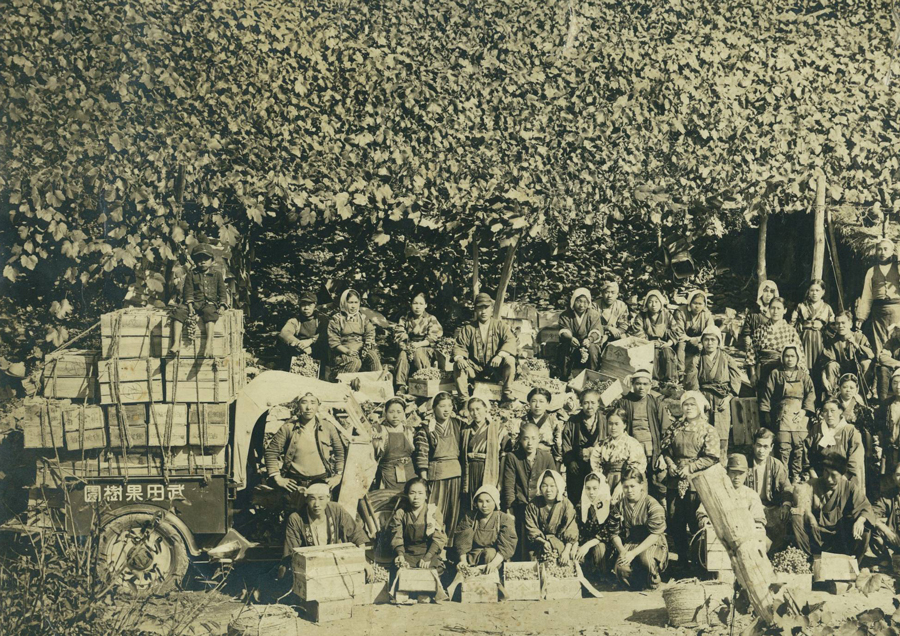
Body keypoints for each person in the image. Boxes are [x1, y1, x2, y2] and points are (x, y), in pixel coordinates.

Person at [661, 391, 720, 568]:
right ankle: (682, 559)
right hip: (674, 480)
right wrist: (670, 464)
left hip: (696, 481)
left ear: (700, 406)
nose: (688, 408)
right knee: (674, 519)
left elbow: (712, 456)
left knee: (694, 519)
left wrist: (691, 468)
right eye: (686, 404)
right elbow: (665, 449)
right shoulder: (675, 427)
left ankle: (698, 560)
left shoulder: (708, 429)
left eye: (692, 404)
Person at [265, 393, 345, 508]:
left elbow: (340, 452)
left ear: (318, 405)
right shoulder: (288, 428)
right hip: (295, 484)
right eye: (304, 402)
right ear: (298, 405)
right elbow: (271, 452)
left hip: (321, 482)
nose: (309, 407)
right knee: (294, 519)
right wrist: (277, 477)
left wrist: (338, 476)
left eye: (313, 402)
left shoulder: (328, 427)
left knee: (320, 517)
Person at [791, 453, 873, 561]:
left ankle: (854, 563)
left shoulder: (849, 487)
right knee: (796, 516)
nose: (829, 479)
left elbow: (865, 507)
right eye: (826, 472)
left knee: (865, 527)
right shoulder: (813, 484)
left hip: (839, 537)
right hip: (816, 535)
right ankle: (807, 560)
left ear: (842, 475)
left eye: (834, 475)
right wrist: (809, 515)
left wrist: (860, 521)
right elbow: (800, 494)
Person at [684, 323, 742, 463]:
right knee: (701, 433)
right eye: (707, 339)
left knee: (722, 435)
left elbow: (736, 378)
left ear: (718, 342)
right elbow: (691, 379)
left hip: (722, 400)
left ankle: (721, 464)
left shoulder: (726, 358)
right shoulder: (697, 358)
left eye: (713, 340)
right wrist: (700, 400)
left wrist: (728, 398)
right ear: (702, 341)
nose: (710, 343)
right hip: (702, 399)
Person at [759, 344, 816, 483]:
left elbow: (811, 394)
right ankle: (782, 479)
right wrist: (766, 413)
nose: (789, 359)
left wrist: (804, 411)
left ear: (797, 358)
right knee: (783, 448)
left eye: (792, 356)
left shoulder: (803, 375)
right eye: (787, 356)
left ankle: (796, 477)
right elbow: (767, 394)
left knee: (799, 448)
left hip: (799, 416)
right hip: (782, 414)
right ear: (782, 358)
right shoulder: (776, 374)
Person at [502, 422, 558, 558]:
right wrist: (510, 508)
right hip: (521, 505)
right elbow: (509, 485)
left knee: (538, 540)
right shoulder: (513, 457)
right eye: (526, 438)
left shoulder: (546, 457)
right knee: (521, 542)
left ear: (539, 438)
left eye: (533, 438)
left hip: (540, 506)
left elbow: (555, 481)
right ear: (520, 439)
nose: (530, 443)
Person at [413, 392, 464, 540]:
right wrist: (424, 477)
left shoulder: (458, 424)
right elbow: (422, 454)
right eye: (442, 406)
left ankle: (450, 548)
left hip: (456, 474)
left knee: (453, 512)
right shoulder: (427, 428)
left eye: (449, 405)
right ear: (434, 408)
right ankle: (435, 546)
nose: (446, 409)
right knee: (435, 512)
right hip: (437, 475)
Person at [281, 481, 368, 567]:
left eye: (321, 498)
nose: (317, 504)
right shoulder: (296, 518)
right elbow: (291, 551)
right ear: (306, 499)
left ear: (328, 498)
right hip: (309, 564)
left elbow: (357, 535)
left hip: (335, 561)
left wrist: (363, 561)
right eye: (312, 499)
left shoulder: (336, 509)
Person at [609, 466, 668, 590]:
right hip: (631, 540)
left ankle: (652, 581)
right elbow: (613, 533)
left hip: (652, 540)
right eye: (626, 487)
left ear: (641, 485)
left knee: (645, 560)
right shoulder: (619, 505)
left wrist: (634, 553)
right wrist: (623, 551)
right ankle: (632, 587)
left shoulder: (652, 505)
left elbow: (655, 535)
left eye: (633, 486)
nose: (629, 490)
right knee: (621, 567)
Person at [453, 293, 518, 403]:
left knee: (510, 360)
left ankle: (507, 392)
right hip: (475, 369)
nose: (483, 312)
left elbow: (510, 340)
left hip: (495, 369)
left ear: (491, 309)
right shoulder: (468, 328)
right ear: (475, 310)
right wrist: (460, 358)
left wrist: (500, 355)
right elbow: (460, 345)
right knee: (458, 365)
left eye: (486, 307)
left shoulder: (500, 325)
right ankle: (464, 400)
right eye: (480, 308)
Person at [697, 454, 766, 549]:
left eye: (741, 473)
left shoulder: (751, 495)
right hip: (719, 539)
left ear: (747, 473)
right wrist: (704, 520)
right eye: (733, 472)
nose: (737, 477)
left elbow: (759, 522)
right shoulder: (717, 493)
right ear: (727, 472)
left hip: (745, 540)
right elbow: (702, 513)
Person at [171, 243, 228, 357]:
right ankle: (176, 342)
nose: (202, 262)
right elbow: (188, 292)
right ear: (195, 261)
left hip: (209, 303)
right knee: (179, 312)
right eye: (199, 259)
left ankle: (209, 344)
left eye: (206, 259)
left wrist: (222, 306)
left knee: (210, 314)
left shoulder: (217, 275)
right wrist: (190, 307)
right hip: (194, 303)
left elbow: (222, 292)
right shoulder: (192, 274)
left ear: (212, 260)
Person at [620, 369, 670, 498]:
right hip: (634, 454)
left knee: (660, 487)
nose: (641, 387)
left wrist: (662, 455)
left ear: (650, 385)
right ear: (632, 384)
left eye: (645, 384)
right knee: (637, 486)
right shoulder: (624, 402)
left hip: (654, 452)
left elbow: (666, 431)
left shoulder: (655, 402)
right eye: (638, 383)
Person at [389, 479, 448, 583]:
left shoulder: (433, 512)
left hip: (428, 552)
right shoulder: (401, 513)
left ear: (426, 495)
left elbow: (439, 538)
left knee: (435, 568)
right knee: (400, 569)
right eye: (412, 493)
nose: (416, 497)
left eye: (420, 493)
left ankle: (425, 593)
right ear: (407, 494)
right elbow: (396, 536)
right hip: (407, 553)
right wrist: (400, 555)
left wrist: (428, 557)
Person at [804, 398, 866, 492]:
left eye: (833, 411)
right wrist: (812, 473)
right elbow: (806, 451)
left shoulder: (850, 430)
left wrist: (844, 477)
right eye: (825, 411)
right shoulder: (816, 429)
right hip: (820, 476)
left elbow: (856, 456)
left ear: (840, 411)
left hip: (845, 477)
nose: (829, 414)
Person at [745, 428, 793, 552]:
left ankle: (773, 553)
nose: (761, 450)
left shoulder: (776, 465)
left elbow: (786, 487)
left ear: (771, 448)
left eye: (766, 447)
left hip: (770, 507)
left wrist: (786, 505)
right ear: (753, 445)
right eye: (759, 445)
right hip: (748, 508)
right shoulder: (745, 463)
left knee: (783, 521)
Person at [453, 484, 518, 574]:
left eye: (488, 501)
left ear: (495, 502)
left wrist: (493, 564)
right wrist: (463, 561)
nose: (484, 505)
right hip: (473, 556)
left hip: (494, 558)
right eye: (480, 501)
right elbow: (462, 542)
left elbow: (507, 546)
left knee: (489, 554)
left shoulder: (504, 519)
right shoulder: (470, 517)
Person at [834, 374, 879, 499]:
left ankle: (857, 501)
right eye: (845, 387)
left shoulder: (862, 409)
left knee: (855, 473)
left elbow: (868, 430)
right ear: (839, 388)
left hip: (856, 446)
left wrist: (869, 450)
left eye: (851, 387)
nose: (848, 390)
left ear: (856, 389)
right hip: (838, 444)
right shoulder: (833, 406)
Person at [747, 296, 804, 391]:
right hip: (764, 371)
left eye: (778, 308)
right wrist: (753, 374)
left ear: (785, 310)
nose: (775, 311)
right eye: (772, 308)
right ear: (768, 309)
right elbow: (751, 353)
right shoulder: (760, 330)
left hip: (783, 371)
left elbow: (800, 354)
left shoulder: (790, 331)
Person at [461, 397, 508, 510]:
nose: (475, 413)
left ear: (486, 409)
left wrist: (500, 480)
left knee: (487, 500)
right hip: (470, 471)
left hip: (488, 469)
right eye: (471, 410)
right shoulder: (465, 430)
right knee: (471, 502)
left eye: (478, 409)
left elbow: (504, 455)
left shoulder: (498, 428)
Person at [561, 390, 607, 504]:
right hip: (577, 466)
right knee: (576, 498)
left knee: (596, 497)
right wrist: (570, 461)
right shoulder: (573, 421)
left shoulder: (604, 421)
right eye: (586, 403)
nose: (589, 406)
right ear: (581, 404)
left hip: (598, 466)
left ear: (598, 404)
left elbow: (608, 442)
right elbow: (566, 443)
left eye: (593, 403)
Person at [524, 470, 579, 563]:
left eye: (552, 486)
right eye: (544, 485)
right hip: (540, 545)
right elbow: (531, 528)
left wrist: (566, 551)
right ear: (540, 487)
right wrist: (543, 541)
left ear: (558, 487)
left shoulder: (566, 504)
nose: (548, 490)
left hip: (562, 545)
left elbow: (571, 528)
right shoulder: (533, 505)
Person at [393, 293, 444, 394]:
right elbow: (399, 333)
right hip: (409, 345)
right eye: (415, 303)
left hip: (426, 347)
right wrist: (406, 345)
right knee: (403, 355)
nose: (417, 306)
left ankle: (422, 383)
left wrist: (418, 345)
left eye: (421, 304)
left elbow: (433, 337)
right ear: (411, 304)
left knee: (418, 353)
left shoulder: (430, 318)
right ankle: (401, 386)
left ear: (425, 305)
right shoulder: (405, 318)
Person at [856, 238, 900, 354]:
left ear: (892, 252)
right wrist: (861, 317)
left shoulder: (898, 268)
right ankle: (881, 369)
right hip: (878, 312)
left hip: (897, 310)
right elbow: (867, 295)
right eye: (879, 249)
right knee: (880, 343)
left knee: (896, 340)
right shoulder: (871, 271)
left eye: (886, 249)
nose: (882, 252)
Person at [630, 290, 683, 384]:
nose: (653, 305)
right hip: (647, 344)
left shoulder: (667, 315)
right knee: (652, 355)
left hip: (664, 343)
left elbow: (677, 331)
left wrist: (669, 342)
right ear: (646, 303)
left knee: (668, 354)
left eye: (656, 301)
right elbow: (638, 332)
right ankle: (653, 381)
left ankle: (670, 381)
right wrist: (649, 343)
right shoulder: (641, 316)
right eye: (650, 302)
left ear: (661, 303)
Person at [589, 409, 647, 497]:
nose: (613, 428)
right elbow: (595, 465)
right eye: (610, 424)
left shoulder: (632, 443)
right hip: (605, 480)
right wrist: (602, 484)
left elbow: (636, 469)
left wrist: (622, 486)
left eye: (616, 424)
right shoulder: (601, 445)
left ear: (624, 425)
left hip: (627, 483)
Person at [327, 288, 382, 378]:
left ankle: (377, 386)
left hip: (360, 350)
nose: (354, 306)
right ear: (344, 302)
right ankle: (339, 381)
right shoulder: (336, 319)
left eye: (356, 302)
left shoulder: (362, 318)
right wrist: (347, 351)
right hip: (343, 352)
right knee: (355, 362)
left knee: (373, 357)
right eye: (350, 302)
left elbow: (370, 332)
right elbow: (333, 342)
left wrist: (367, 345)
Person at [820, 311, 874, 397]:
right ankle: (832, 397)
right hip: (841, 371)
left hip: (857, 371)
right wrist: (824, 377)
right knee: (831, 365)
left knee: (866, 363)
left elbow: (871, 355)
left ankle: (860, 396)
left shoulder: (860, 337)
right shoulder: (832, 341)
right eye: (838, 323)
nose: (840, 326)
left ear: (850, 324)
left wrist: (856, 345)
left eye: (843, 323)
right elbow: (826, 361)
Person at [574, 472, 619, 572]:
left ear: (601, 488)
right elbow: (577, 527)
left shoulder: (609, 506)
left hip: (603, 542)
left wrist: (587, 545)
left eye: (595, 488)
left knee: (599, 550)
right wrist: (577, 544)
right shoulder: (581, 506)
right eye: (588, 488)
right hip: (586, 541)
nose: (591, 492)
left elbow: (607, 531)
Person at [791, 279, 836, 372]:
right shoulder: (801, 306)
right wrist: (800, 327)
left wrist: (823, 329)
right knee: (804, 366)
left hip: (820, 340)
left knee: (820, 367)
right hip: (804, 339)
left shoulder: (827, 308)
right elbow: (792, 324)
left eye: (817, 290)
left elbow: (833, 327)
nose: (814, 293)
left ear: (823, 292)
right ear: (808, 291)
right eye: (812, 290)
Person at [558, 287, 604, 376]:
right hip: (572, 343)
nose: (582, 305)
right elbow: (564, 330)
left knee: (593, 349)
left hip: (588, 343)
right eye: (579, 301)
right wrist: (570, 338)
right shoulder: (565, 315)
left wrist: (590, 339)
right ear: (573, 301)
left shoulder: (594, 314)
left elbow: (596, 330)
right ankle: (565, 376)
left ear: (589, 303)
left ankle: (592, 375)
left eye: (585, 302)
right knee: (564, 348)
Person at [373, 397, 416, 492]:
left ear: (404, 413)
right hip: (388, 474)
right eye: (391, 412)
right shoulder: (380, 430)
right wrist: (375, 443)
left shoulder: (409, 431)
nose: (395, 416)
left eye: (399, 412)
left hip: (408, 472)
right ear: (385, 412)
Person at [278, 292, 327, 373]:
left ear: (315, 305)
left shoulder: (321, 319)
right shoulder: (296, 320)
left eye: (309, 305)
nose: (306, 308)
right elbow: (284, 333)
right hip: (299, 352)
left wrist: (311, 341)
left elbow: (325, 333)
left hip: (317, 352)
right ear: (300, 305)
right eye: (303, 305)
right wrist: (299, 344)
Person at [676, 290, 714, 383]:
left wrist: (695, 339)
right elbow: (679, 331)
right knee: (681, 344)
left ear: (704, 304)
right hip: (683, 340)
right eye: (695, 303)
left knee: (707, 346)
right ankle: (680, 372)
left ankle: (705, 372)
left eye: (700, 303)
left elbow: (710, 331)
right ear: (690, 303)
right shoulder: (680, 311)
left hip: (699, 340)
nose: (697, 306)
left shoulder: (707, 314)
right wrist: (688, 339)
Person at [518, 388, 563, 464]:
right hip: (524, 460)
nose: (537, 405)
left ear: (547, 403)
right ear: (529, 402)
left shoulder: (553, 421)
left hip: (546, 460)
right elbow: (515, 444)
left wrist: (557, 461)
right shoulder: (522, 421)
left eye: (541, 401)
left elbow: (558, 444)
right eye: (533, 401)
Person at [740, 280, 780, 354]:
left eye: (771, 291)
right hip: (756, 351)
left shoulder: (778, 313)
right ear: (761, 293)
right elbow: (747, 334)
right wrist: (749, 351)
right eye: (765, 291)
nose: (768, 295)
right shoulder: (753, 313)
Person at [871, 463, 900, 560]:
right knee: (872, 529)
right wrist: (887, 530)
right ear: (893, 477)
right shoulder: (888, 495)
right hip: (896, 539)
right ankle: (886, 559)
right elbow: (872, 515)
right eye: (898, 475)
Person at [878, 369, 900, 475]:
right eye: (895, 383)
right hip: (890, 448)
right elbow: (879, 424)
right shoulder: (887, 404)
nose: (898, 386)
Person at [597, 280, 630, 346]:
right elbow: (593, 325)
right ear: (602, 293)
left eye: (613, 293)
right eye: (607, 292)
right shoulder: (595, 305)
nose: (609, 295)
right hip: (599, 334)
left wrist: (614, 332)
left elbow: (624, 325)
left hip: (616, 335)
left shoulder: (621, 306)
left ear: (617, 295)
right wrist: (608, 328)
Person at [875, 325, 900, 400]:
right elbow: (883, 357)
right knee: (884, 369)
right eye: (899, 331)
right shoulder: (891, 342)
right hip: (894, 370)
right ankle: (883, 402)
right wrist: (898, 364)